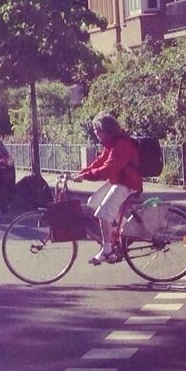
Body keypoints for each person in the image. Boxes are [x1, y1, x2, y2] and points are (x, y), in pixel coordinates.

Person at [73, 112, 142, 265]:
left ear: (105, 130)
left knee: (103, 214)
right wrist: (82, 173)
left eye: (97, 130)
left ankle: (107, 250)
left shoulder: (121, 144)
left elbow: (109, 169)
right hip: (119, 179)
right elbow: (101, 161)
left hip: (128, 182)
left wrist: (85, 177)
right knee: (93, 202)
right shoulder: (111, 144)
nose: (95, 134)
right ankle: (126, 230)